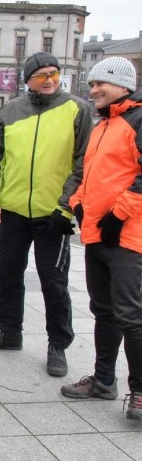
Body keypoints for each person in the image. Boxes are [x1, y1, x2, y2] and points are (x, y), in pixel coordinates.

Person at [0, 52, 93, 378]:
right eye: (42, 75)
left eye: (54, 73)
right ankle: (10, 333)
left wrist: (65, 204)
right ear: (29, 79)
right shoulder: (11, 110)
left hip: (52, 214)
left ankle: (58, 345)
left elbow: (83, 162)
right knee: (8, 275)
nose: (50, 80)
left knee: (53, 282)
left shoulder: (77, 110)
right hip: (12, 211)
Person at [61, 56, 142, 421]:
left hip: (128, 237)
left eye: (100, 84)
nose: (93, 90)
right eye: (91, 84)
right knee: (103, 310)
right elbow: (90, 174)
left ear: (123, 85)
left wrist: (118, 213)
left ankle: (139, 392)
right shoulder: (104, 123)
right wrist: (78, 203)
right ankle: (104, 380)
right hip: (97, 234)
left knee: (131, 315)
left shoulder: (136, 120)